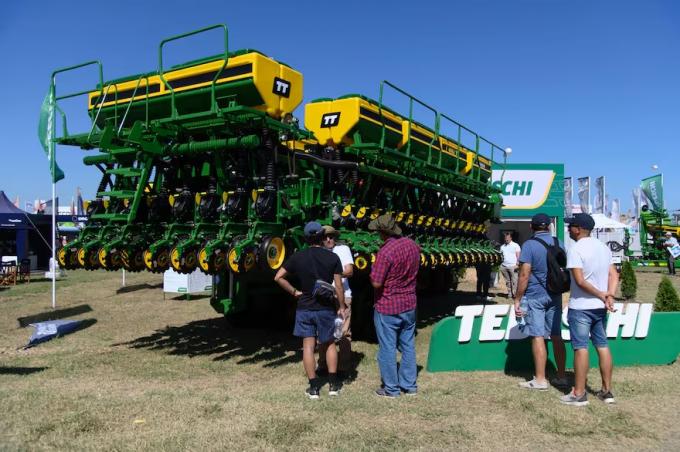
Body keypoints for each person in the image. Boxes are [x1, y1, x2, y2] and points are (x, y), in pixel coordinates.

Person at [274, 221, 346, 399]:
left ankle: (313, 388)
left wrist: (294, 292)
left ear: (306, 238)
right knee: (329, 344)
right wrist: (342, 307)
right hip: (325, 307)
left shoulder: (298, 257)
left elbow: (278, 277)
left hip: (305, 306)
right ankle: (333, 386)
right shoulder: (332, 257)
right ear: (322, 236)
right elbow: (338, 286)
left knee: (308, 346)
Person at [560, 213, 619, 406]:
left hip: (581, 307)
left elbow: (579, 281)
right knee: (602, 346)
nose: (568, 229)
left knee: (580, 348)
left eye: (571, 226)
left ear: (578, 229)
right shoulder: (603, 247)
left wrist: (604, 295)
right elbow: (614, 274)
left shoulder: (575, 249)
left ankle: (579, 393)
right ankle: (607, 391)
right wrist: (609, 294)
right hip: (599, 308)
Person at [369, 213, 421, 398]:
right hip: (409, 304)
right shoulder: (413, 245)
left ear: (383, 232)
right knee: (408, 345)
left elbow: (376, 283)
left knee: (387, 348)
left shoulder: (385, 252)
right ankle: (410, 385)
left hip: (388, 306)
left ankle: (391, 389)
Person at [514, 213, 567, 390]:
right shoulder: (559, 242)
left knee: (537, 336)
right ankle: (561, 376)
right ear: (550, 226)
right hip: (556, 294)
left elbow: (524, 274)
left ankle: (540, 379)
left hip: (536, 295)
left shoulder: (529, 245)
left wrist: (517, 298)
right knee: (556, 335)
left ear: (531, 227)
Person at [317, 225, 354, 375]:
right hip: (324, 295)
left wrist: (334, 274)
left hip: (343, 295)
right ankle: (322, 365)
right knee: (322, 331)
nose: (328, 239)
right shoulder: (318, 252)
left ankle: (343, 367)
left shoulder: (343, 249)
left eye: (331, 236)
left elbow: (350, 271)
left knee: (344, 332)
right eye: (325, 237)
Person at [500, 232, 521, 298]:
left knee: (514, 281)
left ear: (511, 238)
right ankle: (509, 293)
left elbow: (518, 255)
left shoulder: (515, 245)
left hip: (513, 266)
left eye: (508, 237)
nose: (506, 239)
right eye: (505, 238)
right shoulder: (502, 246)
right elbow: (501, 255)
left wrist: (517, 263)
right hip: (504, 266)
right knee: (507, 281)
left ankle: (515, 294)